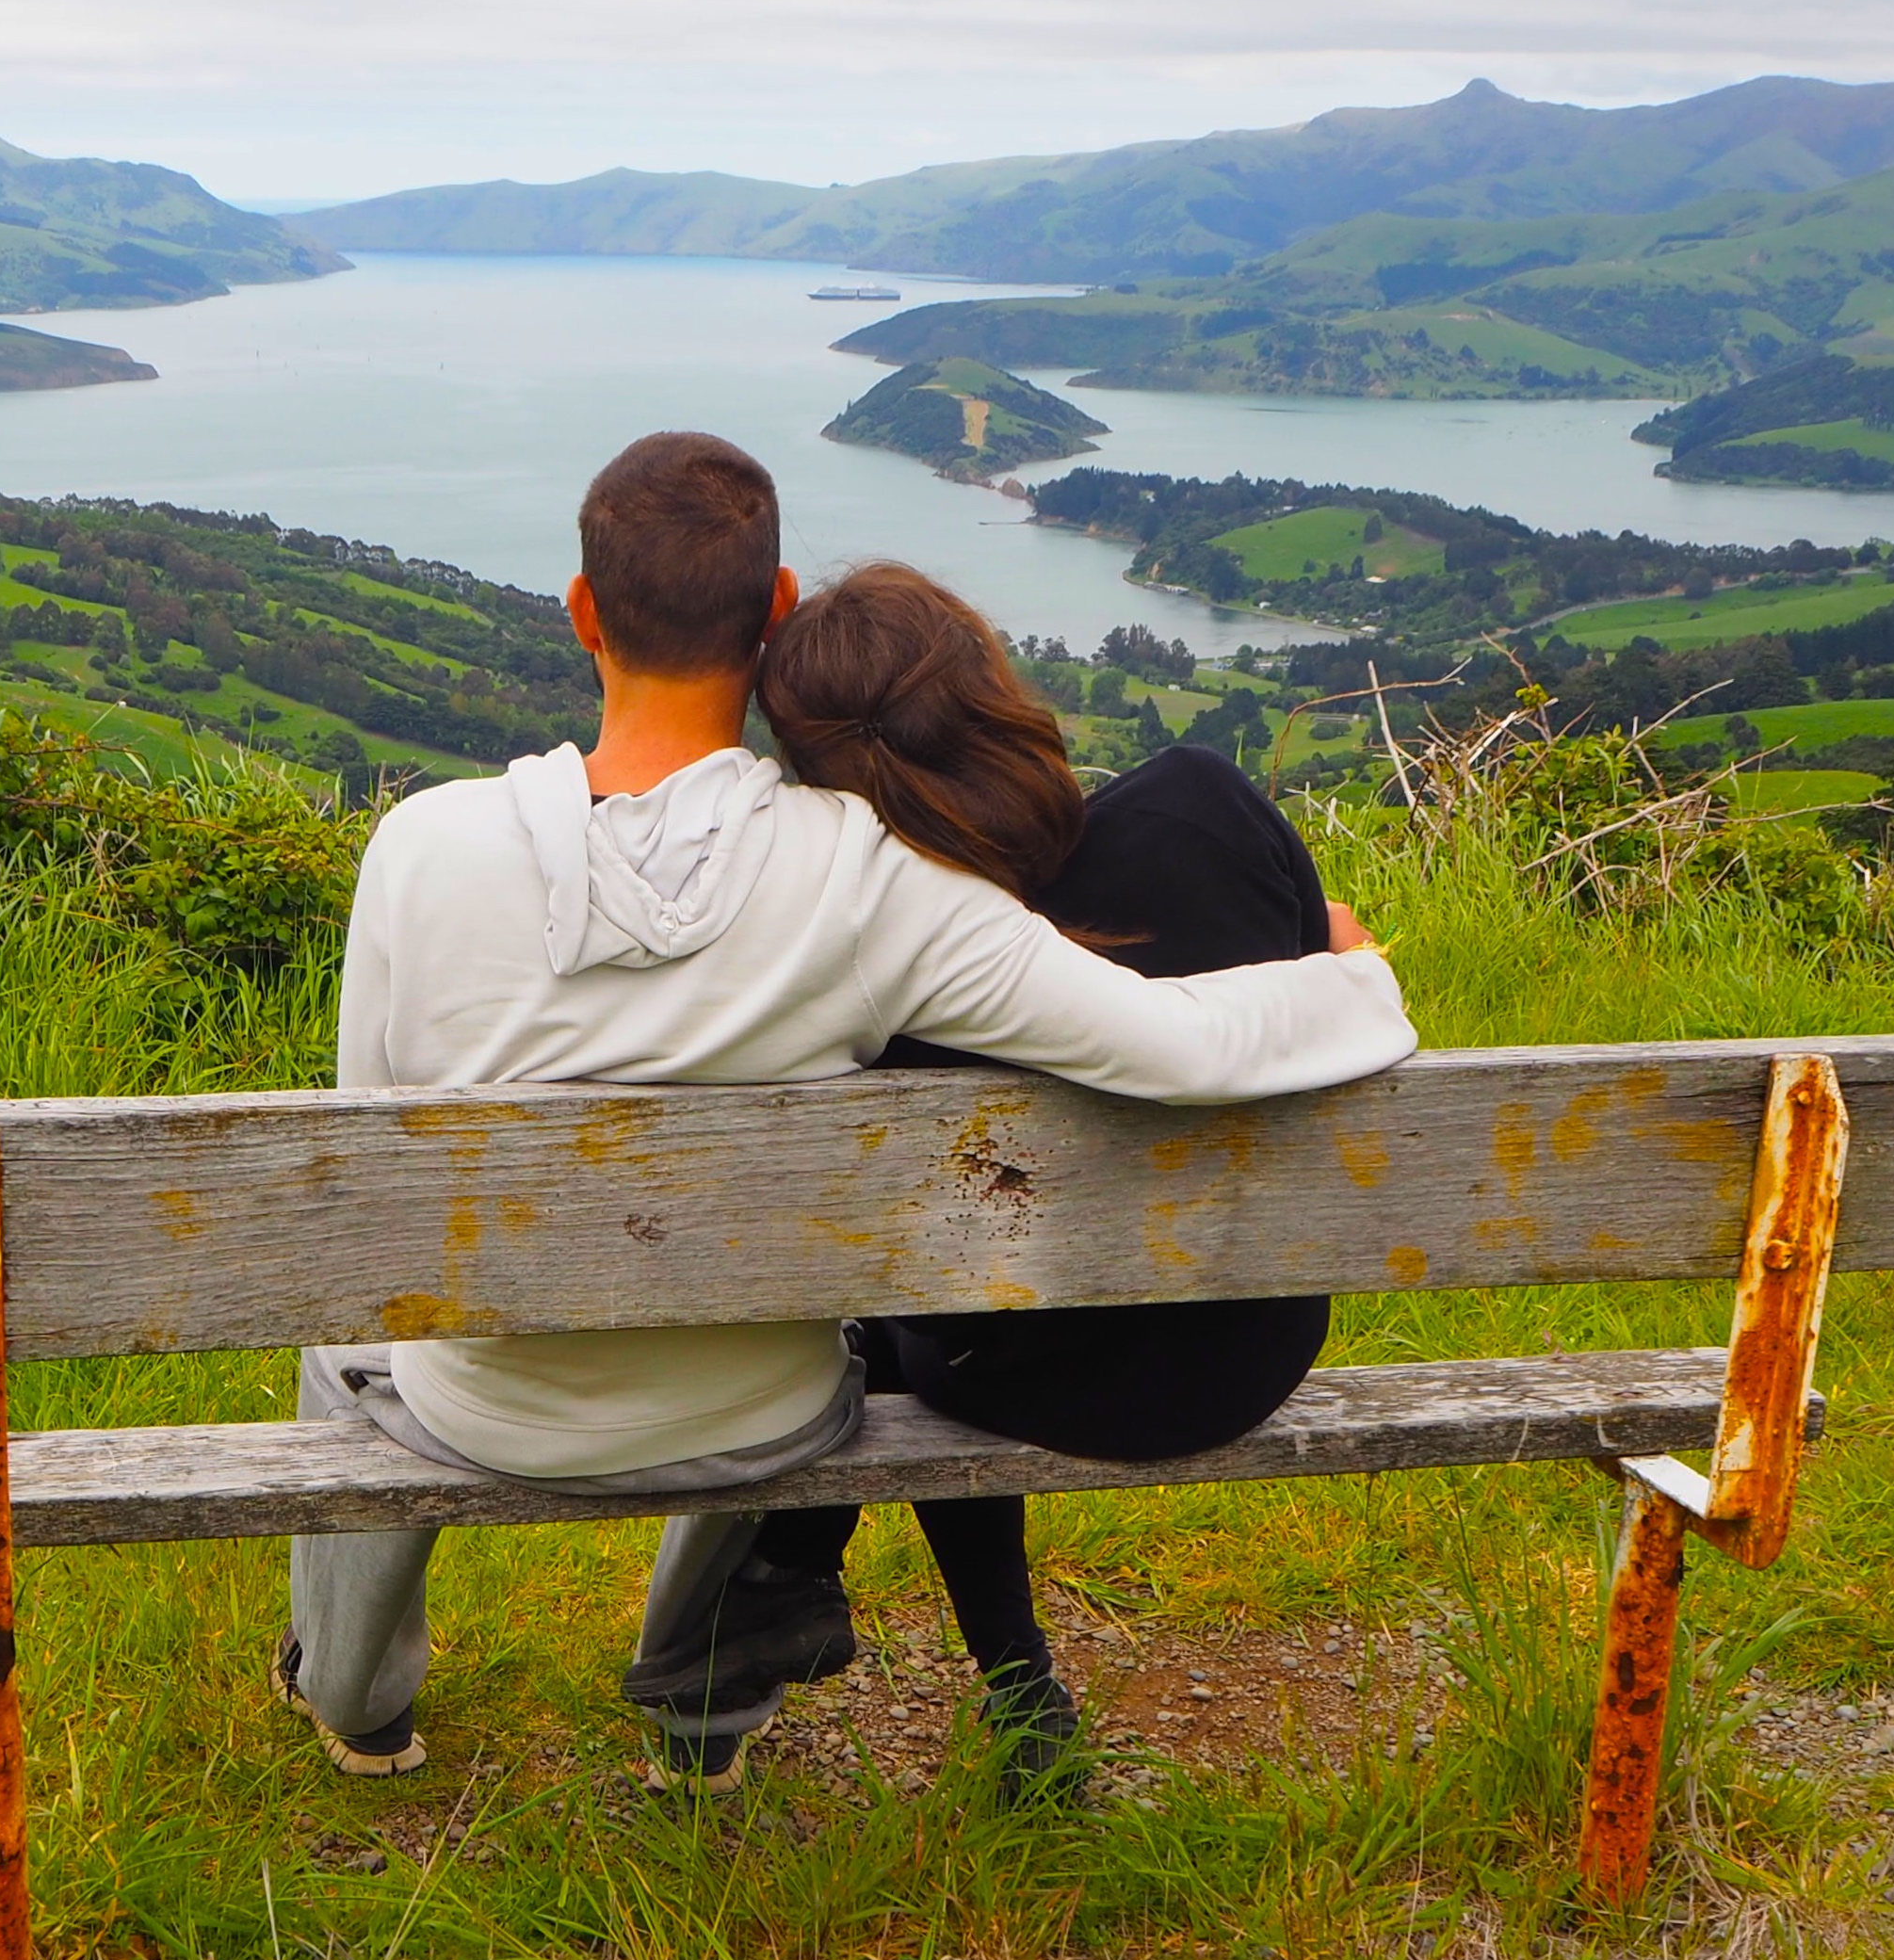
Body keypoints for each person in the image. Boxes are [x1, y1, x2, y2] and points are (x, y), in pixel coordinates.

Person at [284, 435, 1414, 1793]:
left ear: (582, 611)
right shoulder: (880, 883)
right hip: (762, 1411)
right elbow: (1177, 1043)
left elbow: (362, 1163)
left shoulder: (419, 846)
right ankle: (697, 1729)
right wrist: (1354, 981)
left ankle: (357, 1700)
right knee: (766, 1347)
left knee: (344, 1339)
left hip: (490, 1406)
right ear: (774, 610)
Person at [729, 561, 1351, 1795]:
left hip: (1023, 1378)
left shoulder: (907, 961)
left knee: (899, 1317)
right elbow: (1330, 957)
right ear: (991, 684)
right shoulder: (1205, 806)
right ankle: (805, 1580)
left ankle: (982, 1664)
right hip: (1250, 1343)